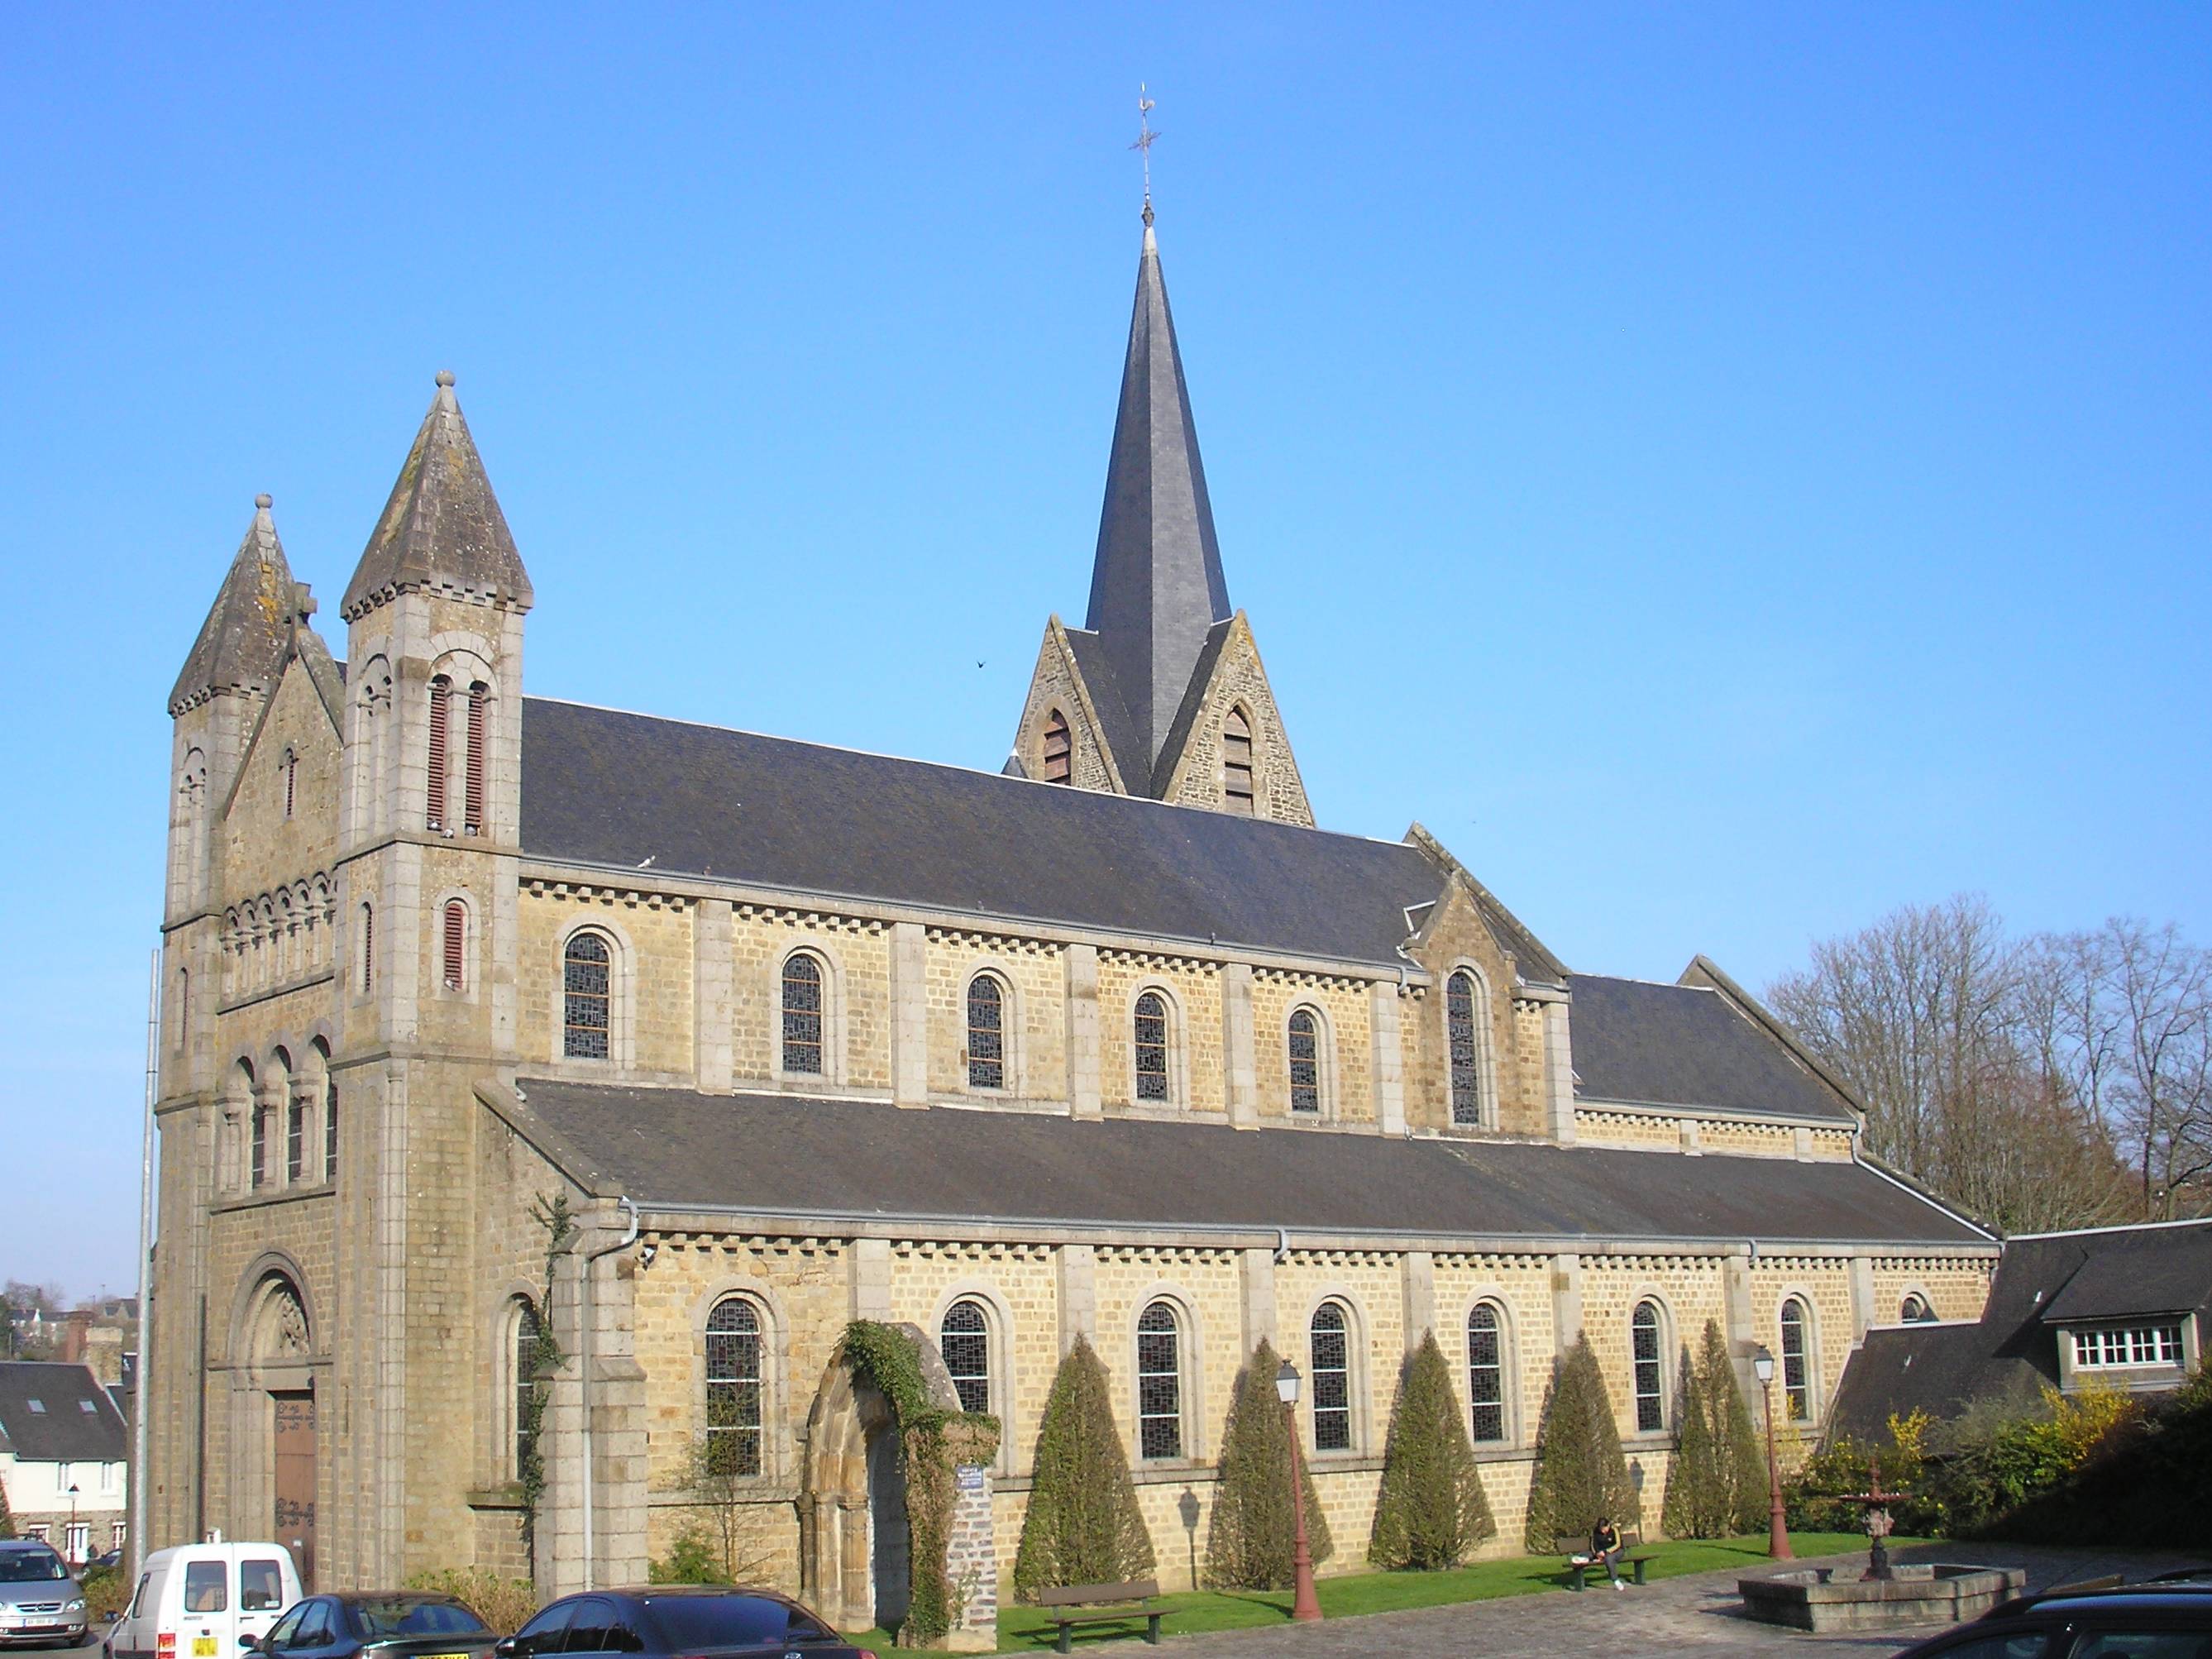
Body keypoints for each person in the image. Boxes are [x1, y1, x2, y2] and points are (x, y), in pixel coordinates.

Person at [1590, 1516, 1626, 1590]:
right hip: (1601, 1552)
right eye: (1601, 1530)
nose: (1603, 1531)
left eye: (1604, 1529)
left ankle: (1615, 1580)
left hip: (1617, 1551)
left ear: (1608, 1525)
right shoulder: (1596, 1532)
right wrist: (1597, 1554)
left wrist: (1606, 1552)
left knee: (1609, 1558)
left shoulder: (1614, 1530)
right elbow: (1594, 1545)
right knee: (1587, 1555)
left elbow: (1618, 1544)